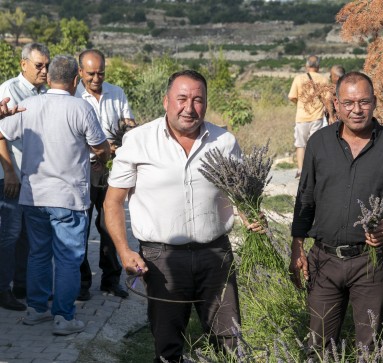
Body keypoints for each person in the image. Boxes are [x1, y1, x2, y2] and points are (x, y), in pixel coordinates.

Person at [103, 70, 261, 362]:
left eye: (198, 100)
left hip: (216, 256)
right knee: (167, 344)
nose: (189, 108)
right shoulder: (139, 140)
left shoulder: (224, 141)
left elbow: (238, 194)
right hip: (162, 259)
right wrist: (124, 251)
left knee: (230, 341)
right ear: (166, 101)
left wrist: (250, 215)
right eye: (182, 99)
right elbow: (112, 203)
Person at [289, 72, 383, 355]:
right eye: (348, 102)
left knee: (369, 348)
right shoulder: (319, 143)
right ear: (336, 104)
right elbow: (306, 198)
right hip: (324, 261)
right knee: (318, 346)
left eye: (363, 102)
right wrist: (297, 246)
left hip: (371, 263)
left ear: (375, 103)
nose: (356, 109)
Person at [0, 55, 110, 335]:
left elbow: (3, 132)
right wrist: (101, 156)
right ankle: (64, 317)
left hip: (34, 196)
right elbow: (100, 147)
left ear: (49, 79)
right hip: (69, 198)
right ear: (76, 80)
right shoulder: (81, 108)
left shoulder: (28, 106)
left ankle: (36, 311)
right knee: (68, 258)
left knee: (38, 254)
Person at [76, 49, 136, 300]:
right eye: (91, 73)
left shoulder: (117, 92)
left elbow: (129, 125)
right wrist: (99, 147)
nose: (96, 78)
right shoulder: (73, 95)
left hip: (112, 168)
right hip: (84, 168)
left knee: (110, 225)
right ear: (80, 72)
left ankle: (111, 280)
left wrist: (125, 135)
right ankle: (82, 283)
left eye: (101, 72)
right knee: (81, 225)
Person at [0, 42, 50, 310]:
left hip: (30, 176)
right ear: (23, 64)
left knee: (25, 235)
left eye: (47, 65)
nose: (44, 71)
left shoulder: (42, 92)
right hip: (11, 175)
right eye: (39, 65)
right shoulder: (11, 90)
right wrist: (9, 172)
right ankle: (3, 289)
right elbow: (0, 134)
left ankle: (21, 284)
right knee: (9, 233)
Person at [288, 55, 330, 178]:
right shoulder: (323, 79)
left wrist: (300, 104)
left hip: (301, 117)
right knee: (314, 145)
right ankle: (313, 170)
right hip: (317, 117)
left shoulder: (298, 78)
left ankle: (301, 170)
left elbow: (292, 96)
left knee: (300, 144)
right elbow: (327, 99)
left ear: (306, 66)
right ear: (318, 66)